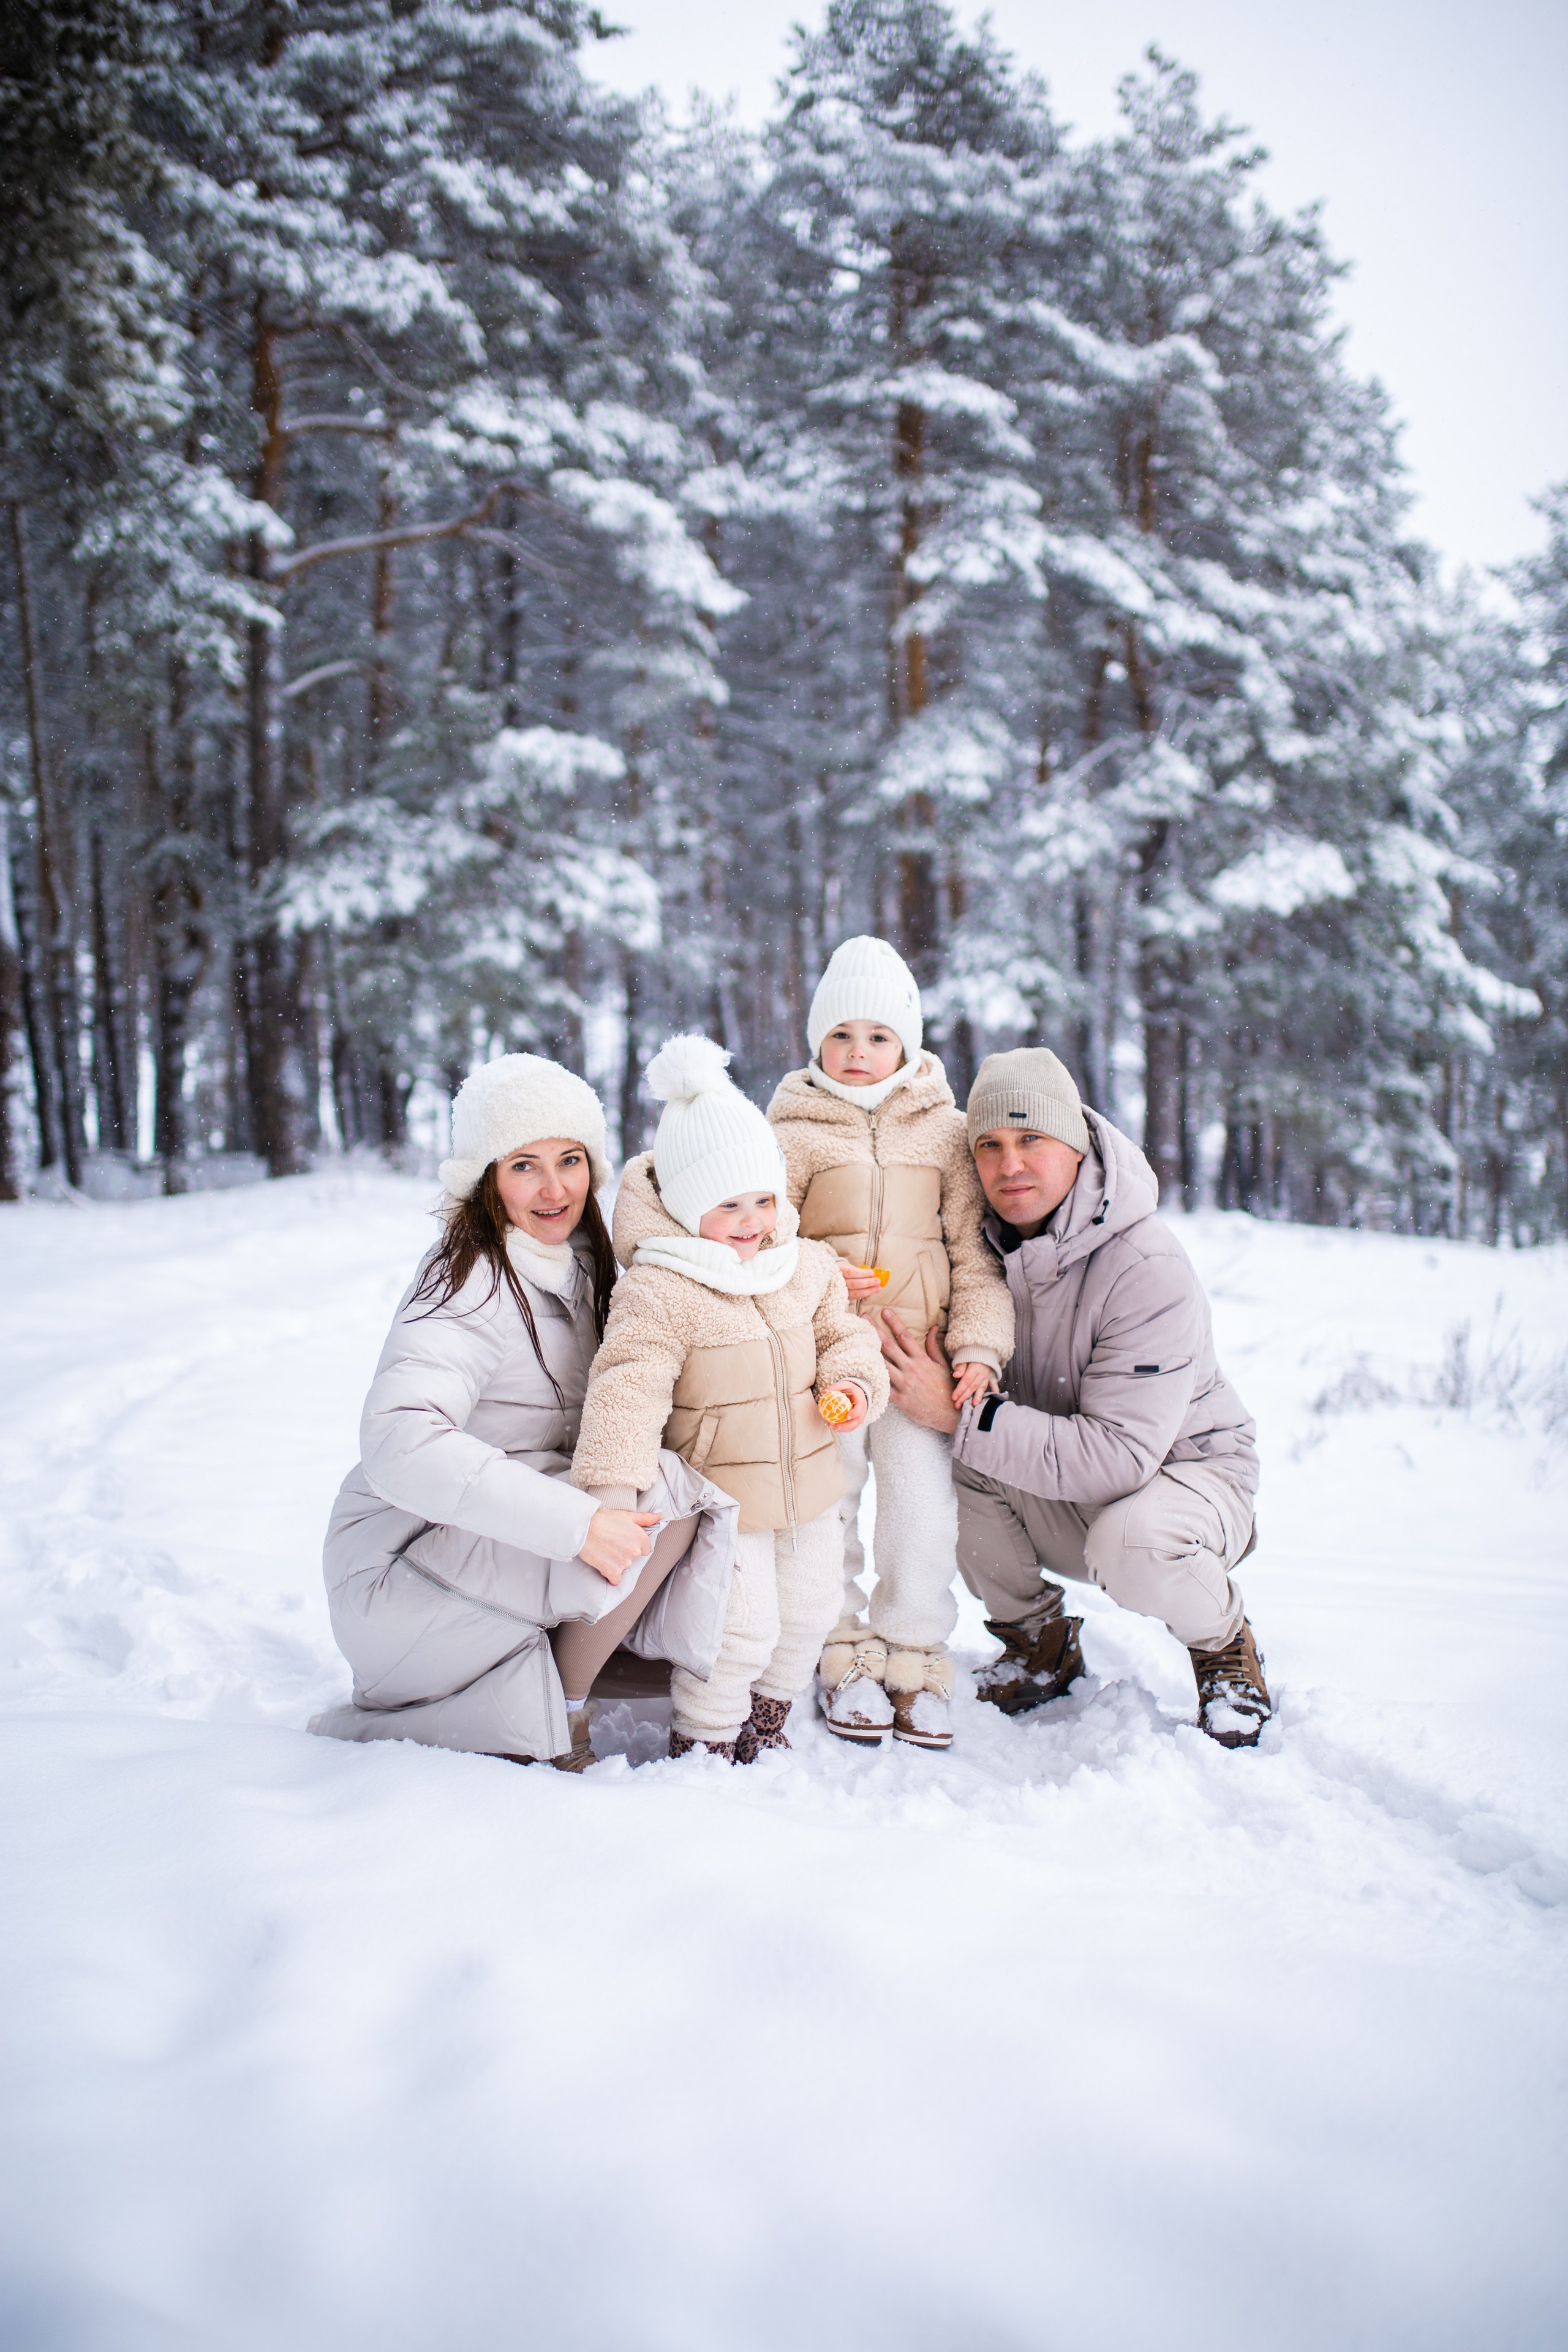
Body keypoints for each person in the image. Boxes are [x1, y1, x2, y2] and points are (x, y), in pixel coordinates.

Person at [312, 1054, 736, 1770]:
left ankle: (584, 1668)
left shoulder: (583, 1265)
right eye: (523, 1166)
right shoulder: (468, 1279)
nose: (553, 1188)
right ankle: (563, 1711)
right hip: (398, 1570)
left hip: (463, 1558)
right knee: (663, 1490)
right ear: (486, 1177)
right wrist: (578, 1527)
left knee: (687, 1459)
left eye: (570, 1160)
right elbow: (400, 1441)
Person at [879, 1047, 1273, 1749]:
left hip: (1186, 1482)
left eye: (1032, 1139)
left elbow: (1120, 1457)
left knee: (1133, 1540)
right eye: (990, 1146)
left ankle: (1223, 1645)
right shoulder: (976, 1252)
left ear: (1078, 1143)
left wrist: (959, 1412)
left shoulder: (1143, 1264)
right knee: (945, 1457)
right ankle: (1039, 1646)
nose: (1010, 1166)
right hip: (1069, 1482)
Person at [570, 1034, 889, 1762]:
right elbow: (627, 1388)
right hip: (723, 1503)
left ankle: (765, 1722)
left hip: (808, 1486)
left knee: (809, 1613)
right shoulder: (662, 1287)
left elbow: (846, 1337)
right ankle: (707, 1740)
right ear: (686, 1209)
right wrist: (611, 1498)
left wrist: (852, 1385)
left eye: (763, 1199)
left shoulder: (804, 1266)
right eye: (727, 1205)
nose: (751, 1220)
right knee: (738, 1631)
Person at [767, 936, 1014, 1751]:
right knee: (823, 1505)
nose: (860, 1053)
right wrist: (817, 1268)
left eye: (878, 1036)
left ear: (907, 1042)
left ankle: (914, 1653)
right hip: (826, 1356)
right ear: (817, 1042)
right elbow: (762, 1240)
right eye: (842, 1035)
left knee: (919, 1510)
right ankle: (840, 1647)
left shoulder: (945, 1133)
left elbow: (974, 1255)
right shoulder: (790, 1129)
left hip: (918, 1363)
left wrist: (978, 1349)